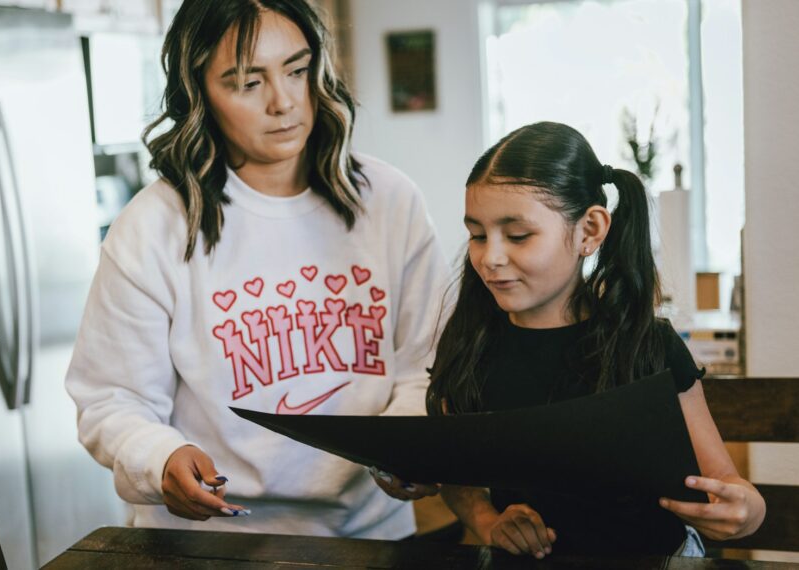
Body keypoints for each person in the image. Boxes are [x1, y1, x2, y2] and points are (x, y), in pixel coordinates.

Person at [65, 0, 446, 539]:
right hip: (213, 542)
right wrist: (161, 457)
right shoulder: (153, 226)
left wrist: (409, 446)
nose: (284, 102)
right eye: (247, 83)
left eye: (297, 70)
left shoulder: (389, 201)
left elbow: (424, 364)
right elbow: (111, 399)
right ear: (199, 95)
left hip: (369, 536)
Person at [424, 122, 765, 557]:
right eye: (477, 235)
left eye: (518, 235)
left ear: (589, 230)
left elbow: (726, 485)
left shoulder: (648, 346)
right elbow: (459, 479)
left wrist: (747, 510)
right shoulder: (471, 346)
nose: (489, 258)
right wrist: (489, 522)